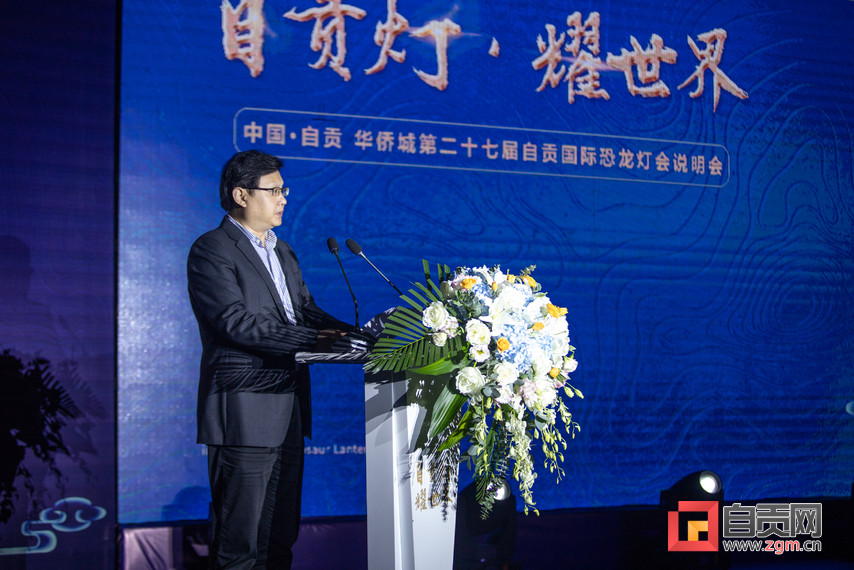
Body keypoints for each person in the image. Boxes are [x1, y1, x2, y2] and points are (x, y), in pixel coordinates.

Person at [187, 150, 354, 568]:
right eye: (274, 190)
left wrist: (360, 337)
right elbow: (235, 323)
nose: (283, 199)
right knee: (239, 546)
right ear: (241, 194)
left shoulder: (284, 252)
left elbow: (305, 312)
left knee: (279, 539)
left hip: (289, 407)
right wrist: (315, 338)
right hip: (244, 411)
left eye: (284, 190)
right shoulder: (212, 249)